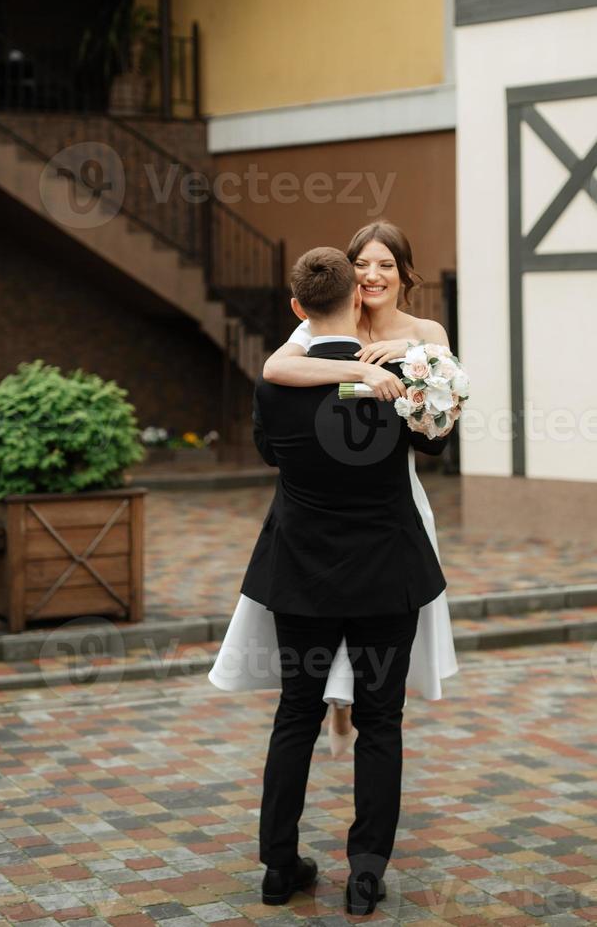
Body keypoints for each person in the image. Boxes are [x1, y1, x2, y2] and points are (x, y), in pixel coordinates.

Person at [239, 244, 456, 915]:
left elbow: (271, 453)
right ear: (356, 299)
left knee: (295, 714)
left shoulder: (276, 380)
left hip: (301, 573)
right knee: (382, 718)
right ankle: (366, 874)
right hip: (385, 574)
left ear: (299, 309)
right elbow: (436, 442)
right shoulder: (402, 374)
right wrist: (399, 378)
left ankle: (279, 865)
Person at [209, 220, 458, 758]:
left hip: (394, 495)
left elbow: (441, 417)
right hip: (325, 505)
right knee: (330, 613)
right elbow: (276, 368)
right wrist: (363, 373)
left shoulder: (427, 334)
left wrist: (404, 356)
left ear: (403, 273)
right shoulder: (326, 321)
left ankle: (352, 707)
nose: (372, 275)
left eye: (385, 264)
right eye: (362, 264)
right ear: (348, 274)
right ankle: (338, 707)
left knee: (382, 625)